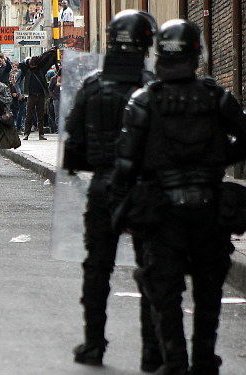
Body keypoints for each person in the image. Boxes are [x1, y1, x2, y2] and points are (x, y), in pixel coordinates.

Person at [110, 19, 246, 375]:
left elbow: (126, 163)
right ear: (197, 54)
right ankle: (203, 360)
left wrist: (119, 208)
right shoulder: (218, 98)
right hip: (209, 208)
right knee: (208, 290)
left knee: (164, 292)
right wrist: (218, 160)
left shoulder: (144, 100)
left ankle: (175, 361)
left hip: (162, 211)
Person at [63, 10, 160, 371]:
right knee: (152, 268)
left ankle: (93, 344)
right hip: (145, 190)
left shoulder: (90, 84)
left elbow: (73, 143)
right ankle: (153, 351)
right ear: (145, 43)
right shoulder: (152, 86)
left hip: (103, 186)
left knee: (97, 267)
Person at [17, 48, 58, 140]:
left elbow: (49, 63)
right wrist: (30, 61)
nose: (33, 65)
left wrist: (48, 54)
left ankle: (41, 134)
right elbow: (21, 64)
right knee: (29, 115)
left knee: (40, 116)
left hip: (40, 95)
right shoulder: (27, 71)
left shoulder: (41, 70)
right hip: (31, 95)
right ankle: (26, 133)